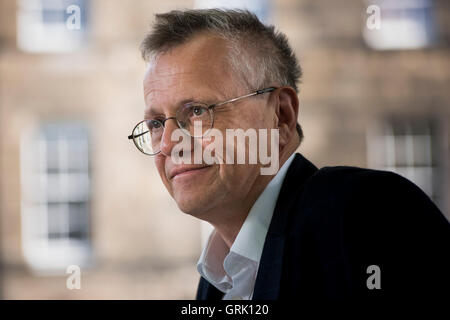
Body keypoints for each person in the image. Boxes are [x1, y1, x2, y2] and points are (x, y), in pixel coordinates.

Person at [128, 9, 450, 299]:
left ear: (280, 116)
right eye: (156, 123)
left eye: (197, 111)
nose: (169, 142)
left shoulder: (367, 212)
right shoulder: (213, 282)